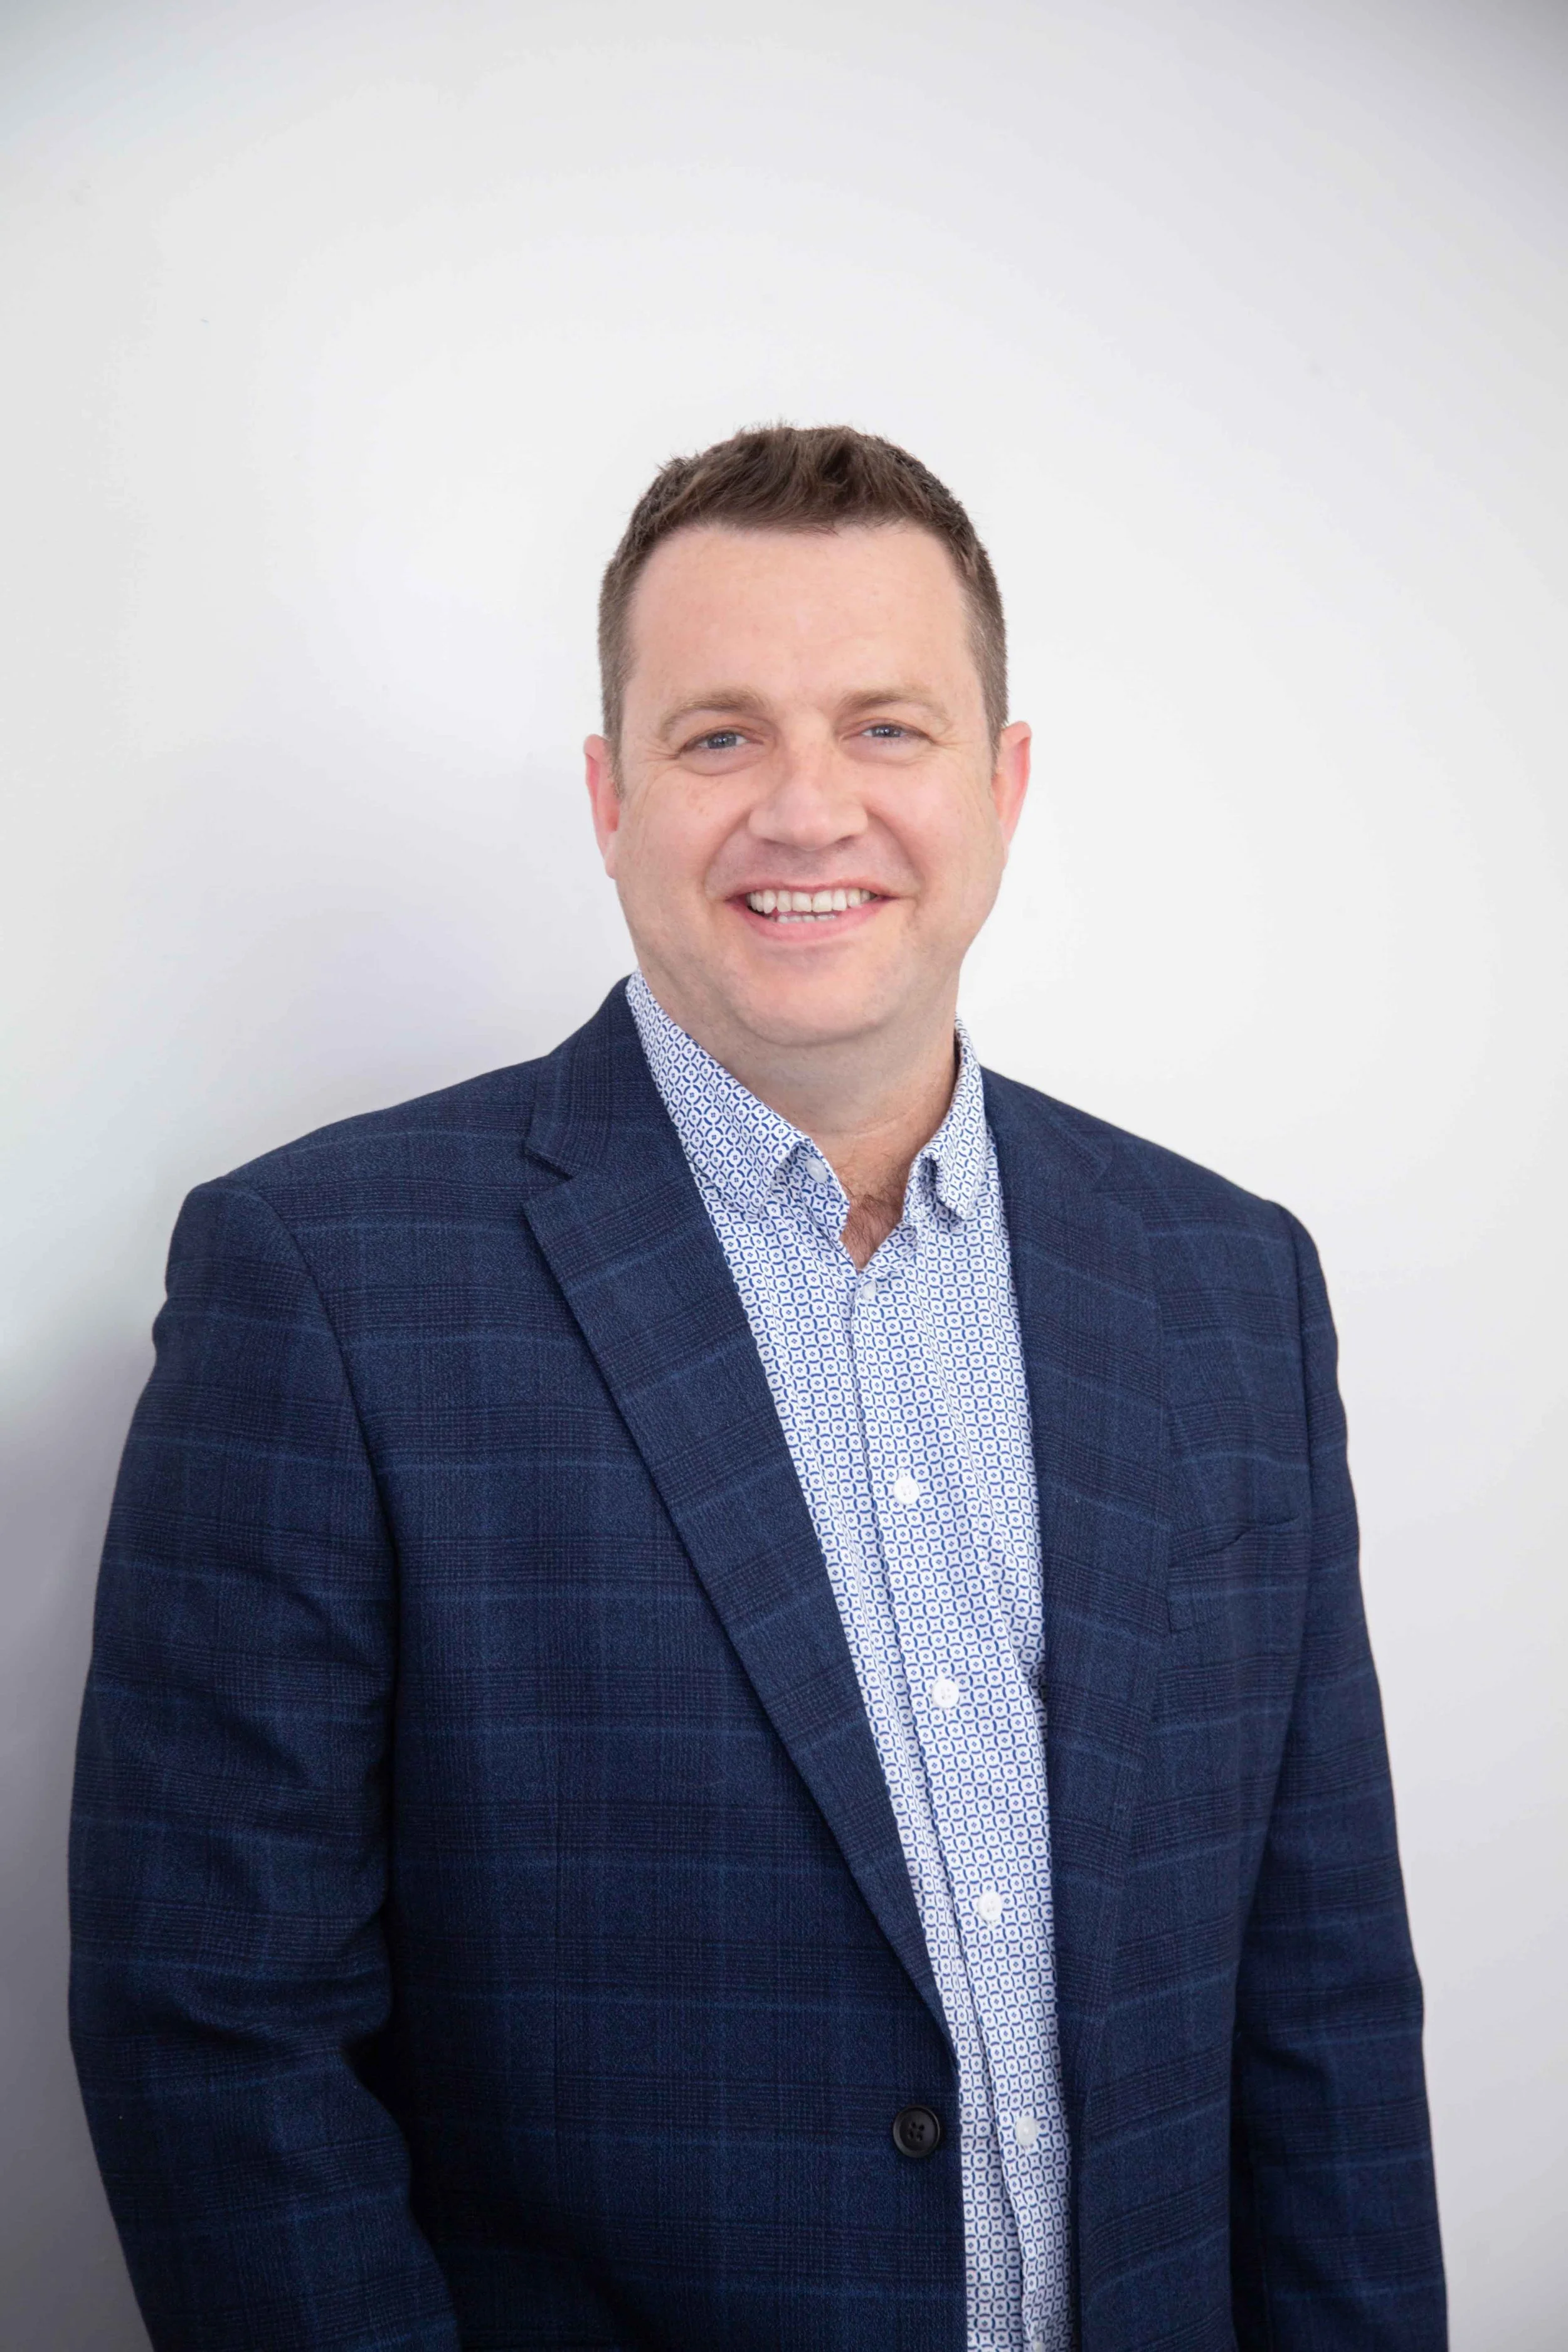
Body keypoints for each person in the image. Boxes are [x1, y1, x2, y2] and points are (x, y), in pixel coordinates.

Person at [69, 424, 1446, 2352]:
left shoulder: (1226, 1285)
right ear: (609, 796)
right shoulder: (325, 1282)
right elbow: (215, 2034)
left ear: (1000, 784)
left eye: (885, 727)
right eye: (719, 735)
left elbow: (1322, 2002)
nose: (808, 810)